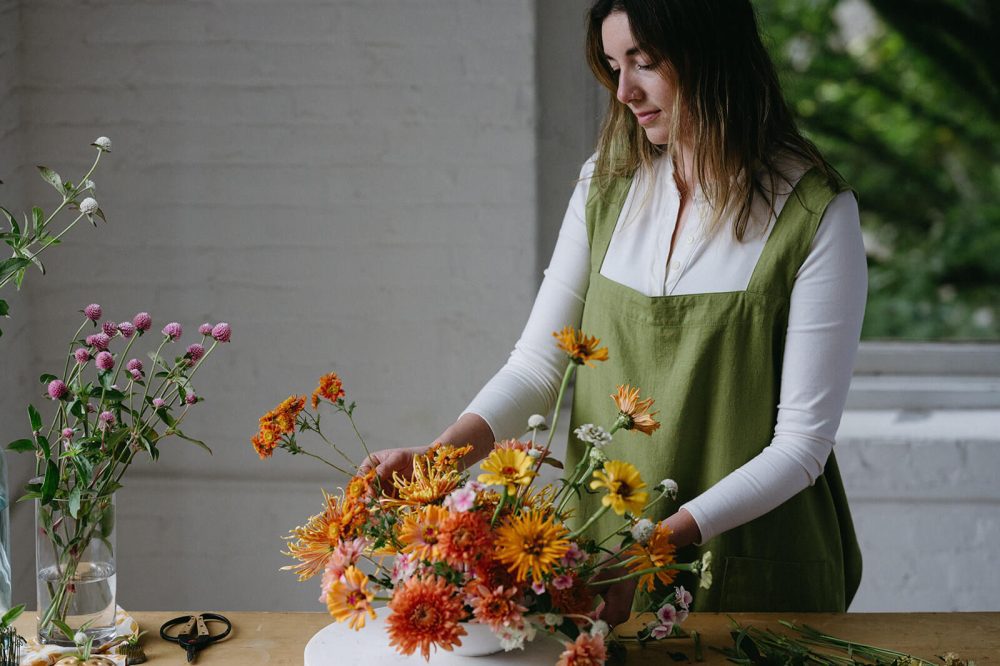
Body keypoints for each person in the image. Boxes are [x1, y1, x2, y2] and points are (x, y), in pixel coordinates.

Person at [360, 0, 866, 620]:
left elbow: (802, 447)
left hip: (753, 562)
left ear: (711, 55)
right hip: (602, 564)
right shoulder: (605, 187)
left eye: (644, 62)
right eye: (611, 64)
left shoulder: (814, 212)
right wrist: (437, 462)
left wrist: (653, 546)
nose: (623, 90)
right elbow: (538, 367)